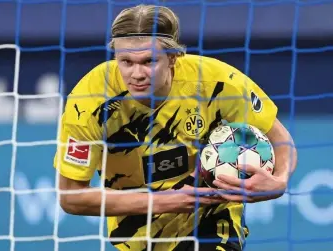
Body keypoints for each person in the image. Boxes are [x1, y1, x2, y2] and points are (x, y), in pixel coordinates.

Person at [53, 4, 297, 251]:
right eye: (125, 61)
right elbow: (71, 197)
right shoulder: (89, 103)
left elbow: (279, 137)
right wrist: (161, 202)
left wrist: (279, 181)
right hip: (138, 232)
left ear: (172, 57)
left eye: (149, 61)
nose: (136, 73)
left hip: (211, 218)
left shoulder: (215, 82)